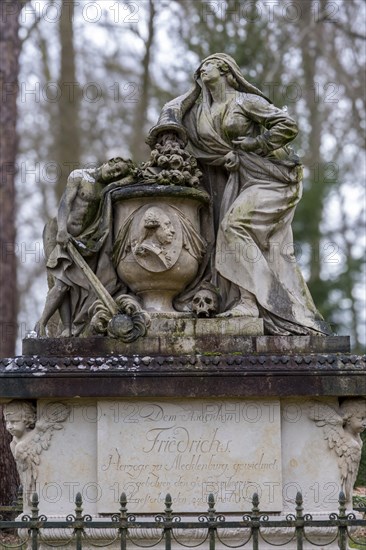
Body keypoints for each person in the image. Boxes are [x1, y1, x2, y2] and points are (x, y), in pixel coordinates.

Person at [147, 53, 331, 335]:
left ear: (225, 71)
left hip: (273, 178)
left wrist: (255, 145)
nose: (201, 68)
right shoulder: (200, 112)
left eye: (208, 64)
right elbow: (179, 128)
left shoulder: (245, 101)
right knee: (228, 232)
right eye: (201, 66)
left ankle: (268, 301)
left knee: (233, 226)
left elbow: (288, 125)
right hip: (242, 179)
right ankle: (247, 299)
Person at [36, 157, 136, 337]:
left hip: (80, 239)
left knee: (67, 283)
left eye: (117, 174)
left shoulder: (106, 189)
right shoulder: (79, 176)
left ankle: (67, 328)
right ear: (109, 162)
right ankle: (44, 325)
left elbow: (130, 181)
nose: (113, 174)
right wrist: (61, 230)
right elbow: (64, 204)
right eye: (114, 169)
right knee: (59, 282)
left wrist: (128, 176)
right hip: (58, 230)